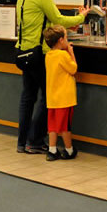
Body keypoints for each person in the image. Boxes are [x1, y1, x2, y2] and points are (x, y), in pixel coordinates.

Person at [15, 0, 88, 154]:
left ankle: (22, 142)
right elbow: (58, 18)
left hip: (23, 51)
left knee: (28, 97)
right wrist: (81, 17)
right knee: (49, 98)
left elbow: (43, 22)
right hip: (39, 53)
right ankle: (35, 141)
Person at [43, 25, 79, 161]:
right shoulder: (63, 55)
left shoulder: (48, 55)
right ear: (61, 40)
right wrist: (71, 52)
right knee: (65, 126)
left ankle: (52, 149)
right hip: (65, 98)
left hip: (52, 98)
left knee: (52, 125)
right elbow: (73, 69)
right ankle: (69, 150)